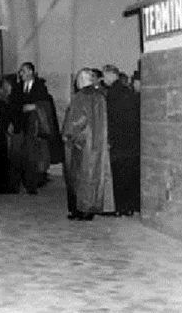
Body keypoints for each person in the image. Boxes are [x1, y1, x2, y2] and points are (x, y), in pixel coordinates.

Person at [62, 68, 115, 221]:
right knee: (94, 177)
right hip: (98, 142)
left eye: (78, 79)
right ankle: (91, 208)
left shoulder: (80, 97)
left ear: (82, 80)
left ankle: (81, 210)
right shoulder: (100, 96)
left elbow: (76, 121)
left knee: (79, 177)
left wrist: (68, 135)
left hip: (82, 143)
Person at [102, 64, 140, 216]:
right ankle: (129, 207)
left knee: (118, 176)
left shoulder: (112, 93)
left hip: (118, 141)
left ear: (111, 75)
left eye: (105, 76)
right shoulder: (127, 92)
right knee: (129, 175)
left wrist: (109, 138)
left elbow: (111, 118)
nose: (104, 79)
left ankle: (120, 207)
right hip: (131, 141)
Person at [14, 62, 57, 194]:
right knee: (21, 155)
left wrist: (34, 106)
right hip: (21, 125)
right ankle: (22, 182)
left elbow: (45, 104)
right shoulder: (18, 87)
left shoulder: (40, 87)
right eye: (20, 71)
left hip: (35, 126)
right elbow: (15, 104)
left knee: (33, 155)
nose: (21, 74)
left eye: (23, 71)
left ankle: (32, 184)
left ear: (30, 72)